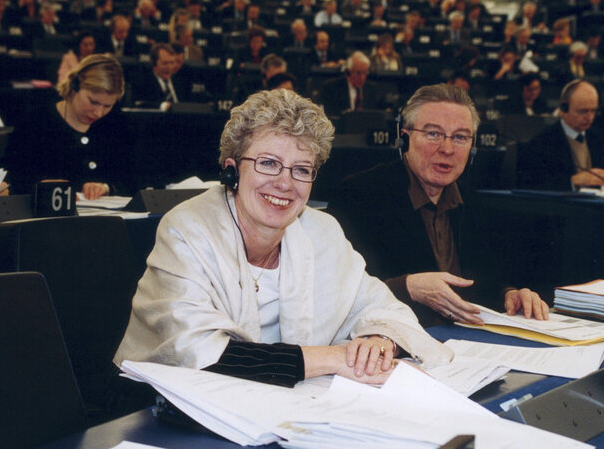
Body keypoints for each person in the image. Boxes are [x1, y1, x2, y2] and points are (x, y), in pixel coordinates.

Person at [114, 89, 452, 387]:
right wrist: (337, 358)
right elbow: (196, 352)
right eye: (268, 163)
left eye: (302, 169)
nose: (285, 183)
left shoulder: (322, 231)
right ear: (232, 170)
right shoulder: (187, 229)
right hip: (173, 411)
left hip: (290, 406)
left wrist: (380, 339)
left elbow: (382, 306)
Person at [329, 84, 549, 327]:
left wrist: (510, 294)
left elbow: (488, 281)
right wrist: (408, 287)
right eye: (433, 134)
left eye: (460, 137)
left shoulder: (473, 200)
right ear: (404, 139)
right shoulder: (358, 195)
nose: (447, 149)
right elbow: (336, 291)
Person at [3, 54, 135, 198]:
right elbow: (14, 179)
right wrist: (44, 186)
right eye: (93, 102)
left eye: (107, 106)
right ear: (75, 86)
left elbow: (130, 178)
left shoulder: (116, 123)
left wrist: (105, 187)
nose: (98, 113)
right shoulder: (37, 122)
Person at [517, 80, 604, 190]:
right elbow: (532, 185)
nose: (589, 117)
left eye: (593, 111)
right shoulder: (541, 144)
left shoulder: (599, 138)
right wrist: (572, 182)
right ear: (564, 108)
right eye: (583, 111)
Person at [319, 51, 379, 116]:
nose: (362, 77)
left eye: (365, 73)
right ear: (348, 72)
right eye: (358, 73)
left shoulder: (372, 89)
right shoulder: (331, 88)